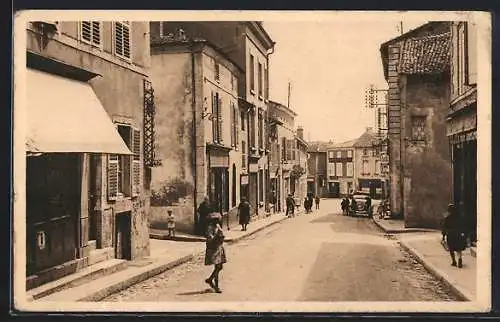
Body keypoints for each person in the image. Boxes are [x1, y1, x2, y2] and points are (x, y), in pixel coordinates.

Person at [204, 212, 227, 293]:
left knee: (219, 267)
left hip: (219, 248)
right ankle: (215, 285)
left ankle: (211, 280)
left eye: (217, 220)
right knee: (218, 267)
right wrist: (217, 235)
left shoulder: (217, 226)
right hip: (213, 249)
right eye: (215, 220)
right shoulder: (209, 228)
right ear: (212, 221)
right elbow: (209, 239)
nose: (217, 221)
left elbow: (222, 235)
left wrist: (221, 234)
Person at [442, 203, 467, 268]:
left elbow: (444, 227)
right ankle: (460, 258)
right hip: (458, 234)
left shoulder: (447, 218)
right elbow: (463, 225)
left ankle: (454, 261)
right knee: (459, 248)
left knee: (451, 248)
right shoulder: (460, 217)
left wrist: (443, 236)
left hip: (450, 235)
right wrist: (464, 233)